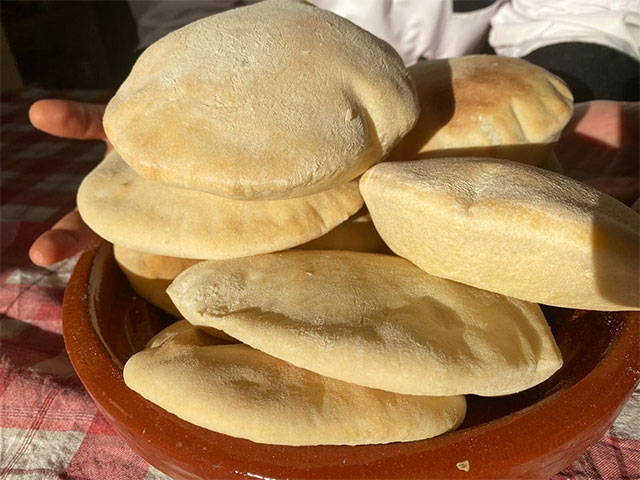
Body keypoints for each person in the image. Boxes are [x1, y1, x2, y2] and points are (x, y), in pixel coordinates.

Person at [28, 0, 640, 267]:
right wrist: (175, 125)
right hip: (253, 87)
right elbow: (185, 22)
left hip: (443, 93)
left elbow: (582, 8)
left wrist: (564, 104)